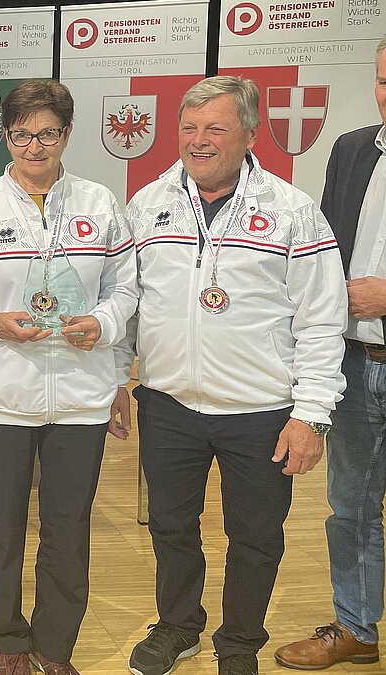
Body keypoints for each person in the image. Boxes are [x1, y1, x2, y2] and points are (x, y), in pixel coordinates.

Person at [122, 76, 347, 675]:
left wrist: (311, 414)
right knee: (171, 527)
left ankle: (240, 643)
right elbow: (128, 303)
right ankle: (178, 626)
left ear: (249, 134)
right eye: (189, 128)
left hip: (262, 411)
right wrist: (119, 379)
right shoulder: (148, 204)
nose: (198, 141)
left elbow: (323, 319)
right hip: (169, 404)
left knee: (255, 537)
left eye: (215, 129)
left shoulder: (292, 211)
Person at [0, 80, 138, 675]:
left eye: (47, 134)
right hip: (1, 396)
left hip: (79, 397)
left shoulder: (100, 204)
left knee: (67, 529)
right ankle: (8, 637)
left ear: (67, 135)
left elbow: (126, 288)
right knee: (1, 527)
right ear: (6, 137)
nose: (34, 147)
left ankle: (54, 644)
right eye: (21, 135)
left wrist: (103, 324)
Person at [274, 35, 386, 670]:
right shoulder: (351, 151)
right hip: (354, 362)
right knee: (352, 509)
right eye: (384, 81)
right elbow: (319, 258)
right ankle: (356, 629)